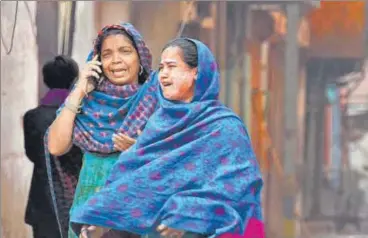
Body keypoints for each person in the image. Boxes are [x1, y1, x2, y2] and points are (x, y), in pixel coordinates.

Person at [70, 38, 264, 238]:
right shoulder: (158, 123)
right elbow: (133, 185)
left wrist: (190, 216)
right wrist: (103, 221)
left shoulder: (225, 127)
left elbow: (239, 190)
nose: (163, 75)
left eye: (172, 67)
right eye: (161, 68)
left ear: (196, 72)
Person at [46, 23, 158, 238]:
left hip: (141, 213)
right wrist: (79, 89)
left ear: (140, 57)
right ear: (97, 62)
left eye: (125, 51)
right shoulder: (87, 102)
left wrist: (139, 150)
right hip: (90, 214)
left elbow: (177, 158)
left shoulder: (156, 98)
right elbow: (56, 146)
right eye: (107, 54)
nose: (116, 60)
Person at [23, 55, 80, 238]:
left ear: (46, 80)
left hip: (42, 199)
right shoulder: (79, 115)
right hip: (75, 197)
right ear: (73, 80)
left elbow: (32, 155)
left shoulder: (32, 117)